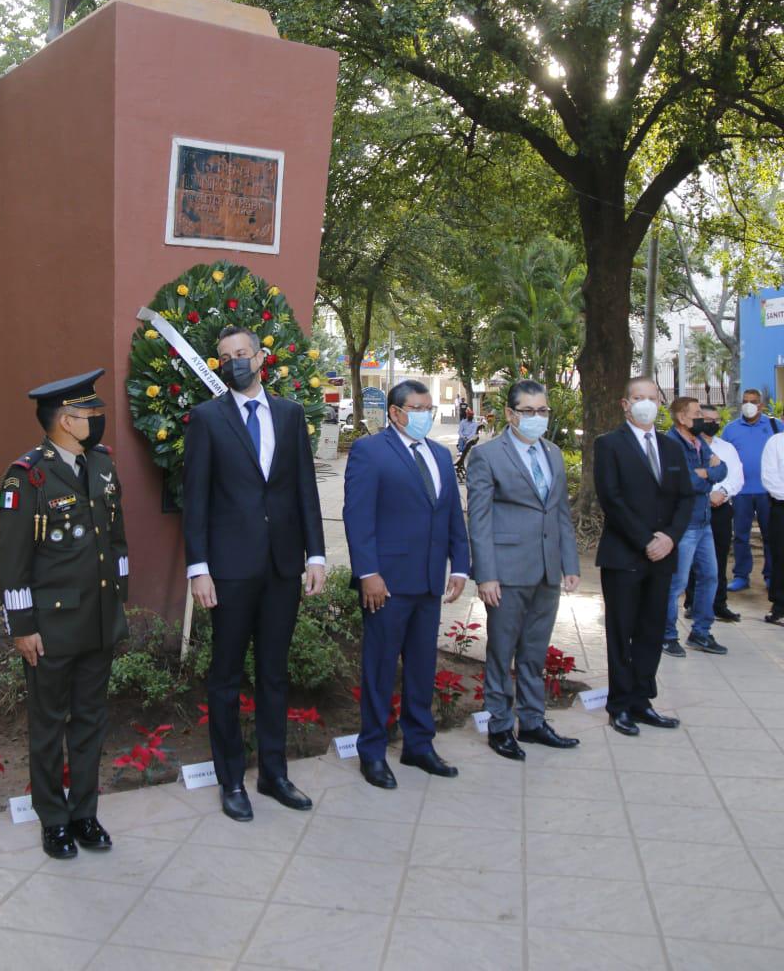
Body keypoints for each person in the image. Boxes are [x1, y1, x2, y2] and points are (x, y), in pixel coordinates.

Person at [183, 325, 326, 822]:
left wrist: (317, 556)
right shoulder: (206, 419)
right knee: (225, 676)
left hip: (283, 567)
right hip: (229, 571)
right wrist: (198, 569)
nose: (235, 362)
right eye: (226, 357)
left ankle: (273, 773)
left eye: (243, 353)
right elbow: (195, 500)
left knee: (273, 673)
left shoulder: (289, 415)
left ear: (262, 357)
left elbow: (305, 490)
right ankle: (230, 780)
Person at [0, 370, 129, 860]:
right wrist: (23, 627)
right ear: (67, 420)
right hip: (50, 628)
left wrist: (118, 602)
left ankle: (84, 813)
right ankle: (53, 819)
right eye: (91, 414)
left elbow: (116, 540)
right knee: (49, 724)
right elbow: (12, 561)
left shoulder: (102, 466)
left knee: (91, 720)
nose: (98, 421)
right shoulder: (27, 475)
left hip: (96, 621)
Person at [342, 379, 470, 788]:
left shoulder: (439, 454)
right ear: (396, 413)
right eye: (417, 408)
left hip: (429, 581)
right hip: (387, 583)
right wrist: (368, 573)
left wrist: (461, 565)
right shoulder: (370, 451)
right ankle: (373, 751)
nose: (425, 415)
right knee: (380, 669)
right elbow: (357, 518)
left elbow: (451, 513)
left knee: (421, 667)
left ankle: (419, 745)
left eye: (428, 408)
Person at [467, 380, 580, 761]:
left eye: (543, 411)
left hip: (547, 569)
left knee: (534, 652)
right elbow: (479, 519)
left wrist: (570, 564)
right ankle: (499, 725)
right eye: (529, 412)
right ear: (511, 414)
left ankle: (532, 722)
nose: (537, 418)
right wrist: (486, 575)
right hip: (507, 571)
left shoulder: (553, 453)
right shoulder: (487, 455)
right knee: (502, 651)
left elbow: (560, 512)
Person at [594, 377, 693, 736]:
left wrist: (669, 538)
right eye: (639, 397)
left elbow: (686, 498)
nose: (645, 403)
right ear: (625, 403)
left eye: (652, 398)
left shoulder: (671, 448)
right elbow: (612, 499)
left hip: (663, 555)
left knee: (651, 631)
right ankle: (619, 705)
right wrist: (645, 540)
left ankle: (641, 700)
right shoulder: (609, 445)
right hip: (624, 555)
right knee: (622, 632)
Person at [662, 398, 728, 657]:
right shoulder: (670, 444)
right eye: (697, 413)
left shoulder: (699, 441)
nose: (702, 417)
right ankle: (667, 635)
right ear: (681, 417)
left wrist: (705, 474)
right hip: (684, 523)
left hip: (704, 522)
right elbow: (684, 483)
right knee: (676, 583)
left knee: (710, 577)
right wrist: (704, 475)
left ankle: (701, 632)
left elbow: (722, 469)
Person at [683, 403, 743, 622]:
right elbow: (690, 476)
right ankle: (692, 603)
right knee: (692, 558)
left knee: (718, 557)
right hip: (696, 507)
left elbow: (736, 475)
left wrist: (723, 493)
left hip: (721, 508)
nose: (713, 424)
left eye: (717, 421)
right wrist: (708, 494)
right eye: (708, 420)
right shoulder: (689, 446)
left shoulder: (727, 448)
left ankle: (719, 603)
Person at [722, 389, 782, 592]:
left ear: (761, 405)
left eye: (753, 401)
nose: (749, 405)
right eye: (745, 401)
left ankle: (771, 575)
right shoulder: (730, 429)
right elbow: (724, 458)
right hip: (740, 492)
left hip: (769, 492)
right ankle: (741, 575)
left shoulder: (775, 426)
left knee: (771, 535)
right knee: (740, 535)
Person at [760, 429, 784, 626]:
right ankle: (780, 607)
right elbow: (769, 477)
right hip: (782, 505)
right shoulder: (776, 442)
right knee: (781, 556)